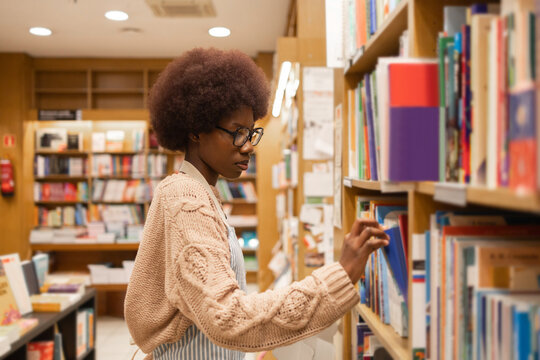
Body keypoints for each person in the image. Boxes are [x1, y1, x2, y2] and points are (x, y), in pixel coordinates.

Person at [124, 47, 390, 360]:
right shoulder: (187, 198)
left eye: (251, 133)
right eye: (237, 133)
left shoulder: (201, 192)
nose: (249, 146)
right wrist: (338, 276)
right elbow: (227, 318)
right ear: (196, 130)